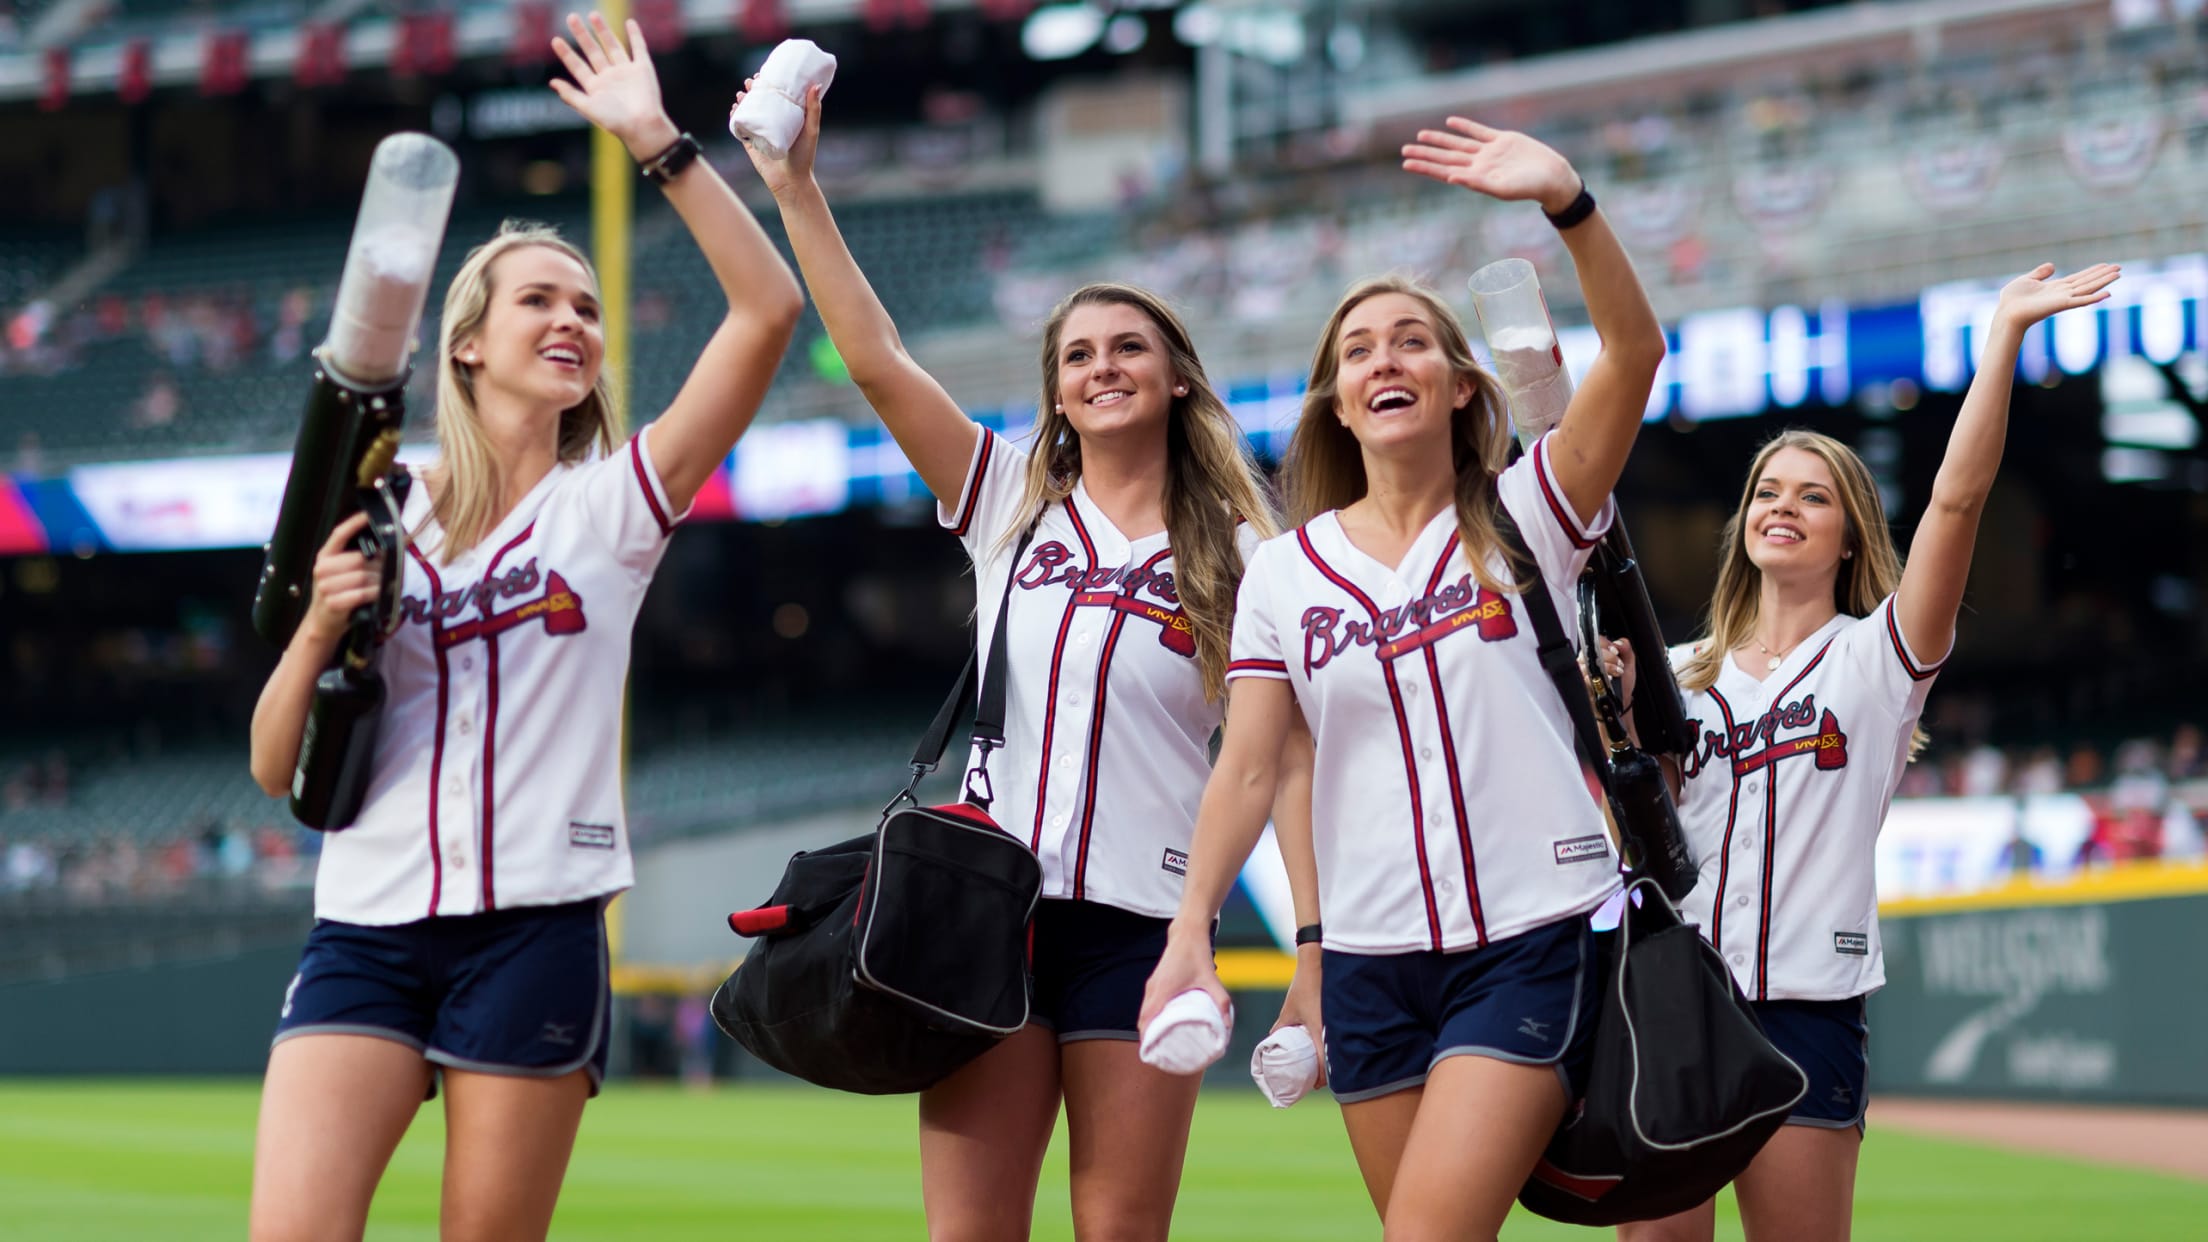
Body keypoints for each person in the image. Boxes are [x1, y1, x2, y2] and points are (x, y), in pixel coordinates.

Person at [244, 15, 801, 1240]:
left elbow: (765, 313)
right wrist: (313, 628)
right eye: (540, 301)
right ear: (465, 344)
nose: (573, 325)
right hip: (366, 926)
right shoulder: (376, 514)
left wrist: (659, 143)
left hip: (535, 929)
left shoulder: (612, 508)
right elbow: (276, 764)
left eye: (589, 310)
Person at [737, 81, 1285, 1242]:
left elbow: (1277, 758)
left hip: (1149, 923)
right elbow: (878, 360)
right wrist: (795, 184)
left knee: (1120, 1229)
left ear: (1177, 375)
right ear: (1056, 390)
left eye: (1128, 347)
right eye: (1077, 354)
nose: (1101, 367)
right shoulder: (1008, 507)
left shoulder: (1251, 556)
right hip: (989, 915)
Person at [1143, 117, 1666, 1241]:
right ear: (1337, 401)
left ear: (1465, 387)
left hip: (1532, 935)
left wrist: (1567, 203)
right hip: (1373, 966)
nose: (1384, 360)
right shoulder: (1285, 571)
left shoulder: (1533, 512)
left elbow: (1634, 358)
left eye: (1412, 342)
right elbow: (1250, 769)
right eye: (1359, 351)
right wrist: (1194, 929)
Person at [1609, 261, 2120, 1242]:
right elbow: (1627, 827)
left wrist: (2003, 334)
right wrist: (1621, 729)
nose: (1782, 505)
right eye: (1767, 490)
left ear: (1849, 535)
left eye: (1813, 494)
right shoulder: (1672, 672)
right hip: (1678, 999)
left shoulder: (1878, 662)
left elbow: (1959, 504)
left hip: (1810, 1003)